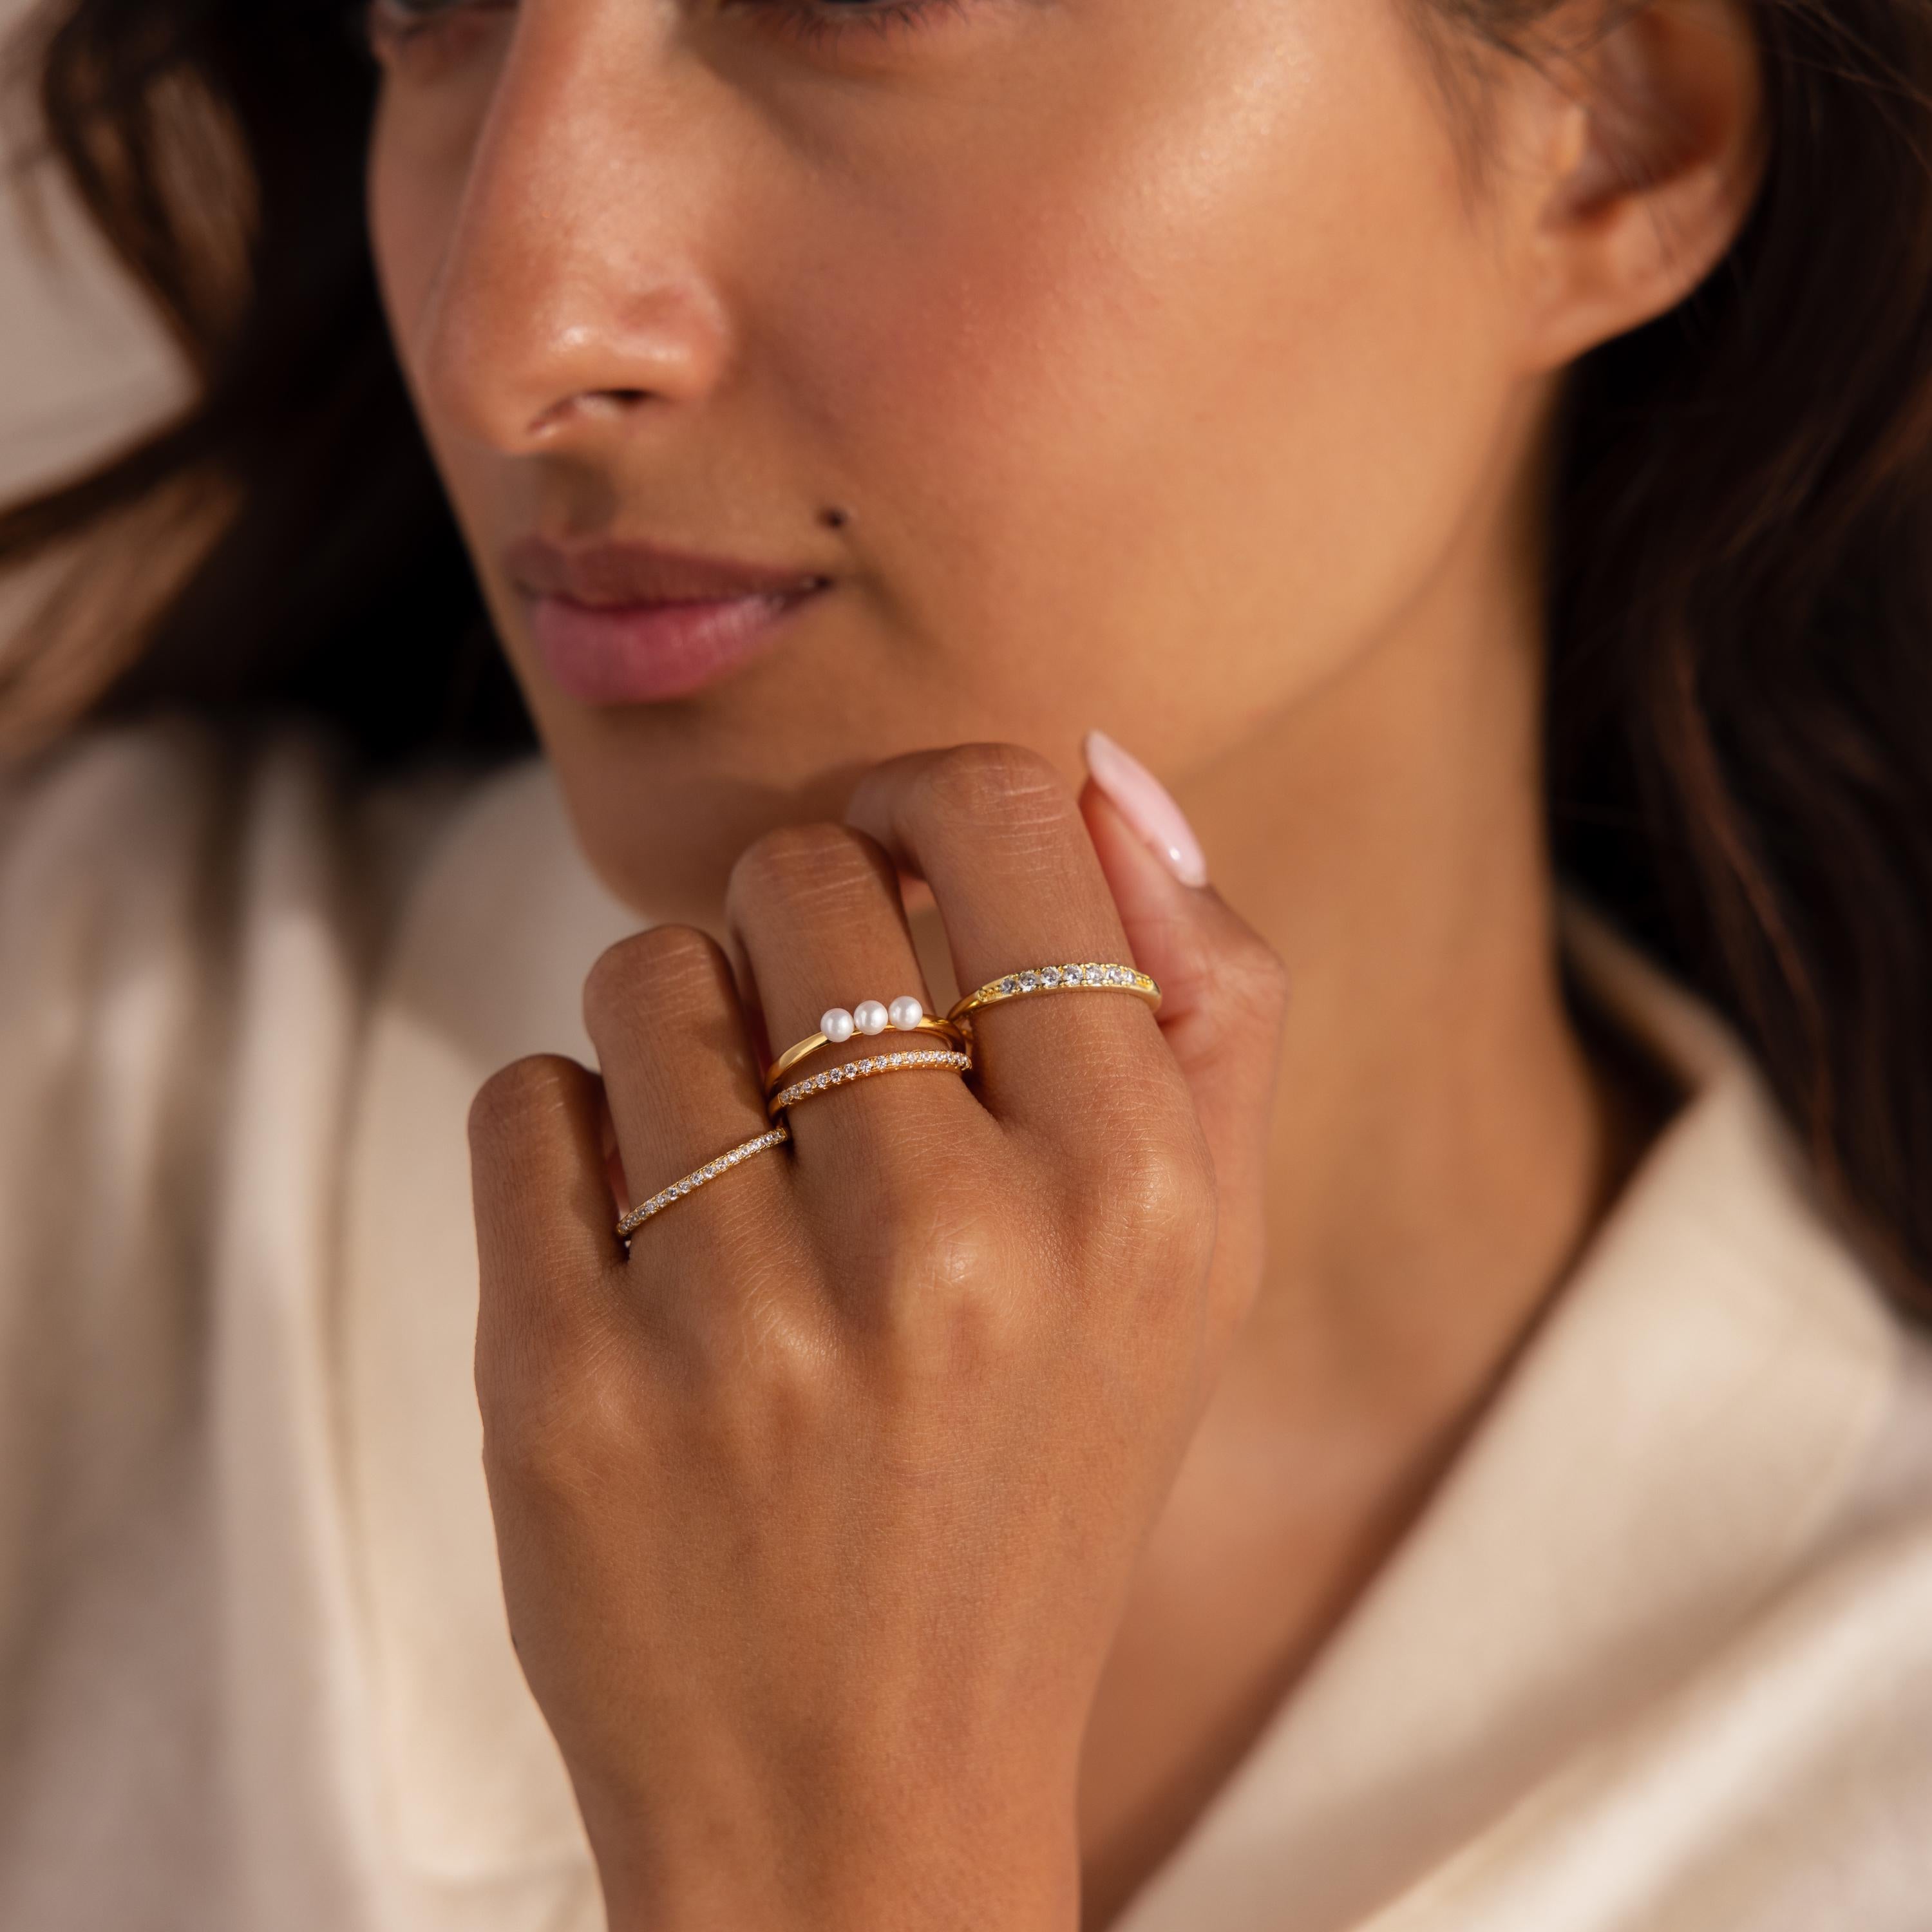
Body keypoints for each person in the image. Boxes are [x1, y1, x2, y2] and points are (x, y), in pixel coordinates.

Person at [1, 1, 1929, 1927]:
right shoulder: (67, 1100)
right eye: (426, 9)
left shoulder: (1865, 1762)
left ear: (1608, 128)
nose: (512, 335)